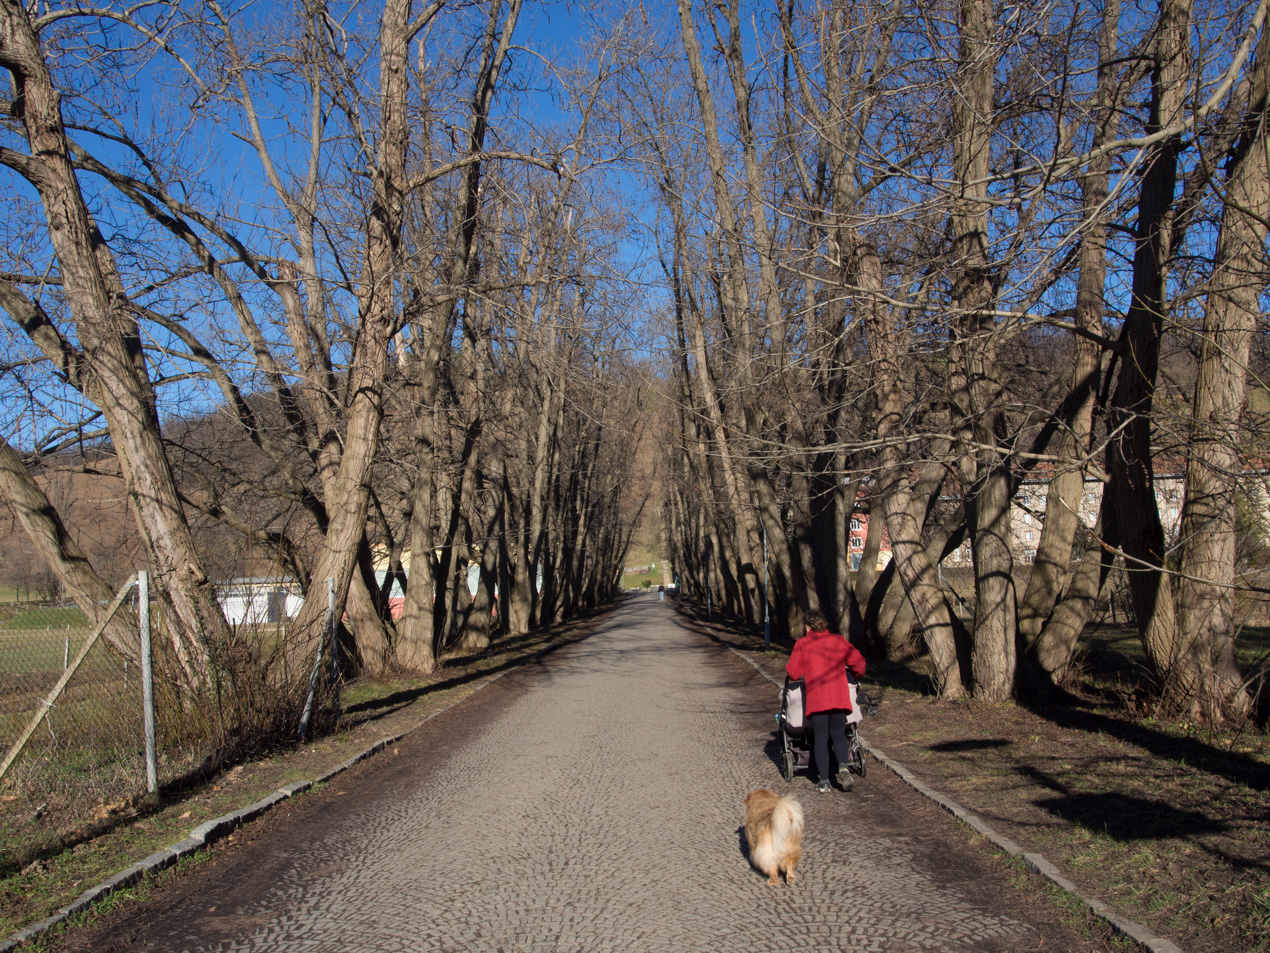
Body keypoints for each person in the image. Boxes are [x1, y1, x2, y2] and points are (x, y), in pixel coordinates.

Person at [786, 612, 866, 793]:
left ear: (807, 627)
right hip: (838, 696)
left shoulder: (802, 644)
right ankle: (843, 766)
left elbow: (794, 673)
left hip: (817, 699)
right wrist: (855, 675)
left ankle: (824, 781)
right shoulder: (839, 641)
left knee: (820, 738)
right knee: (838, 734)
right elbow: (859, 663)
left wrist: (792, 670)